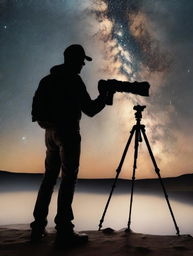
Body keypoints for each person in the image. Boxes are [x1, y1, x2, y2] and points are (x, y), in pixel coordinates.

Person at [30, 44, 109, 246]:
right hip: (68, 133)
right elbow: (90, 110)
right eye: (81, 60)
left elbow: (36, 112)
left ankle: (38, 227)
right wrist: (104, 97)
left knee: (49, 179)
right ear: (73, 60)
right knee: (68, 179)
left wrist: (52, 125)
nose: (83, 64)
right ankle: (64, 230)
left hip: (50, 134)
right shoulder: (74, 80)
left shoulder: (47, 80)